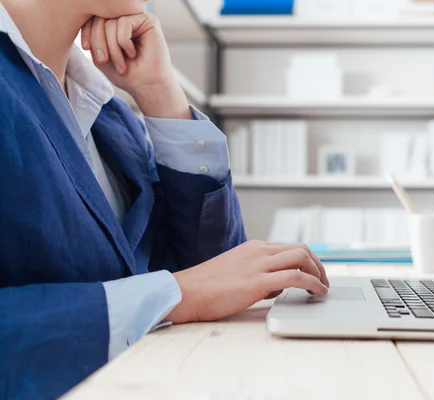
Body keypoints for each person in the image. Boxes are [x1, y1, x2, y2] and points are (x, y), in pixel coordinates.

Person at [0, 0, 330, 398]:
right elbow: (192, 290)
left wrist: (162, 95)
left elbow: (217, 277)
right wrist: (174, 295)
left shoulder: (111, 118)